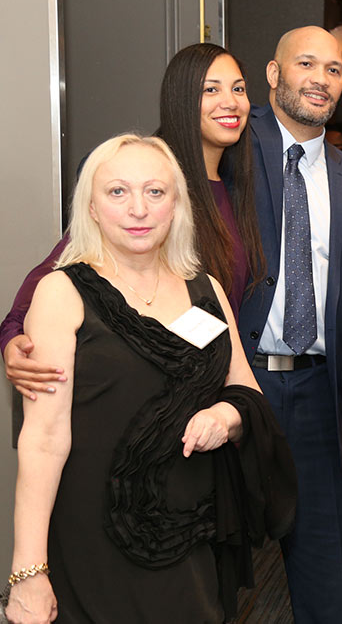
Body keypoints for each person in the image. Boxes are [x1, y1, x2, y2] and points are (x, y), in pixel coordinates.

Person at [6, 134, 292, 624]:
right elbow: (43, 440)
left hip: (191, 534)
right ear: (91, 208)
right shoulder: (61, 292)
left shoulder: (207, 290)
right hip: (92, 536)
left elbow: (246, 390)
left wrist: (225, 417)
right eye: (117, 191)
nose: (138, 209)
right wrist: (28, 571)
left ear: (176, 205)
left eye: (155, 192)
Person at [2, 42, 265, 396]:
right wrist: (12, 340)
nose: (230, 102)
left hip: (211, 392)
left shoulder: (238, 190)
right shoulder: (148, 185)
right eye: (211, 89)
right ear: (181, 98)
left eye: (238, 89)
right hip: (143, 394)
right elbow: (51, 277)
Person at [237, 25, 342, 624]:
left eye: (334, 69)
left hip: (322, 395)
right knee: (209, 564)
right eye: (306, 64)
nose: (321, 80)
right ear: (273, 74)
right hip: (236, 385)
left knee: (326, 570)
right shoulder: (231, 148)